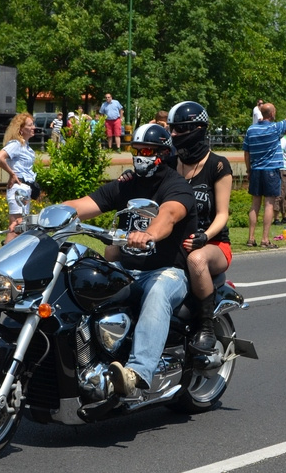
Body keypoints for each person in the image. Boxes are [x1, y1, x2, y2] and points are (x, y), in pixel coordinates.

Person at [62, 125, 198, 398]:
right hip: (125, 269)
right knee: (81, 279)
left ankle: (137, 372)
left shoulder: (176, 186)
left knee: (158, 292)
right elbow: (85, 204)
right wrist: (43, 217)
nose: (139, 157)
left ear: (162, 153)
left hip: (166, 271)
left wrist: (148, 234)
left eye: (146, 151)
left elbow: (168, 216)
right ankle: (87, 362)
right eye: (135, 151)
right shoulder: (127, 185)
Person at [163, 103, 233, 358]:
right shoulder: (170, 163)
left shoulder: (218, 165)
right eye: (172, 129)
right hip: (174, 243)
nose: (174, 135)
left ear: (199, 129)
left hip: (213, 246)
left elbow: (223, 213)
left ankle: (206, 327)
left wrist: (205, 236)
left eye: (181, 130)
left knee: (196, 259)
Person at [243, 84, 286, 248]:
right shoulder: (275, 128)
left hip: (255, 170)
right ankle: (264, 239)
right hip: (271, 171)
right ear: (272, 114)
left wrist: (248, 170)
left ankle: (250, 238)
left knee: (255, 204)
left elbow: (246, 153)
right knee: (269, 204)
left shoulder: (251, 130)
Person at [0, 113, 39, 245]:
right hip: (18, 190)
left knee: (20, 228)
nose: (33, 127)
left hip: (24, 190)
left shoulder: (26, 146)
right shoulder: (16, 144)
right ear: (21, 129)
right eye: (30, 125)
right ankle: (1, 261)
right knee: (15, 229)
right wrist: (12, 174)